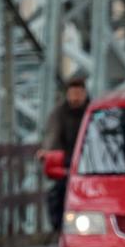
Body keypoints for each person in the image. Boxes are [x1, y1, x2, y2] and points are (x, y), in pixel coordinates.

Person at [41, 75, 91, 231]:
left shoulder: (92, 111)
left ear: (84, 93)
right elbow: (52, 135)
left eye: (78, 93)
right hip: (67, 162)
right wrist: (48, 153)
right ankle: (58, 229)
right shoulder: (59, 113)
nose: (75, 97)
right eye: (72, 93)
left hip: (91, 162)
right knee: (57, 192)